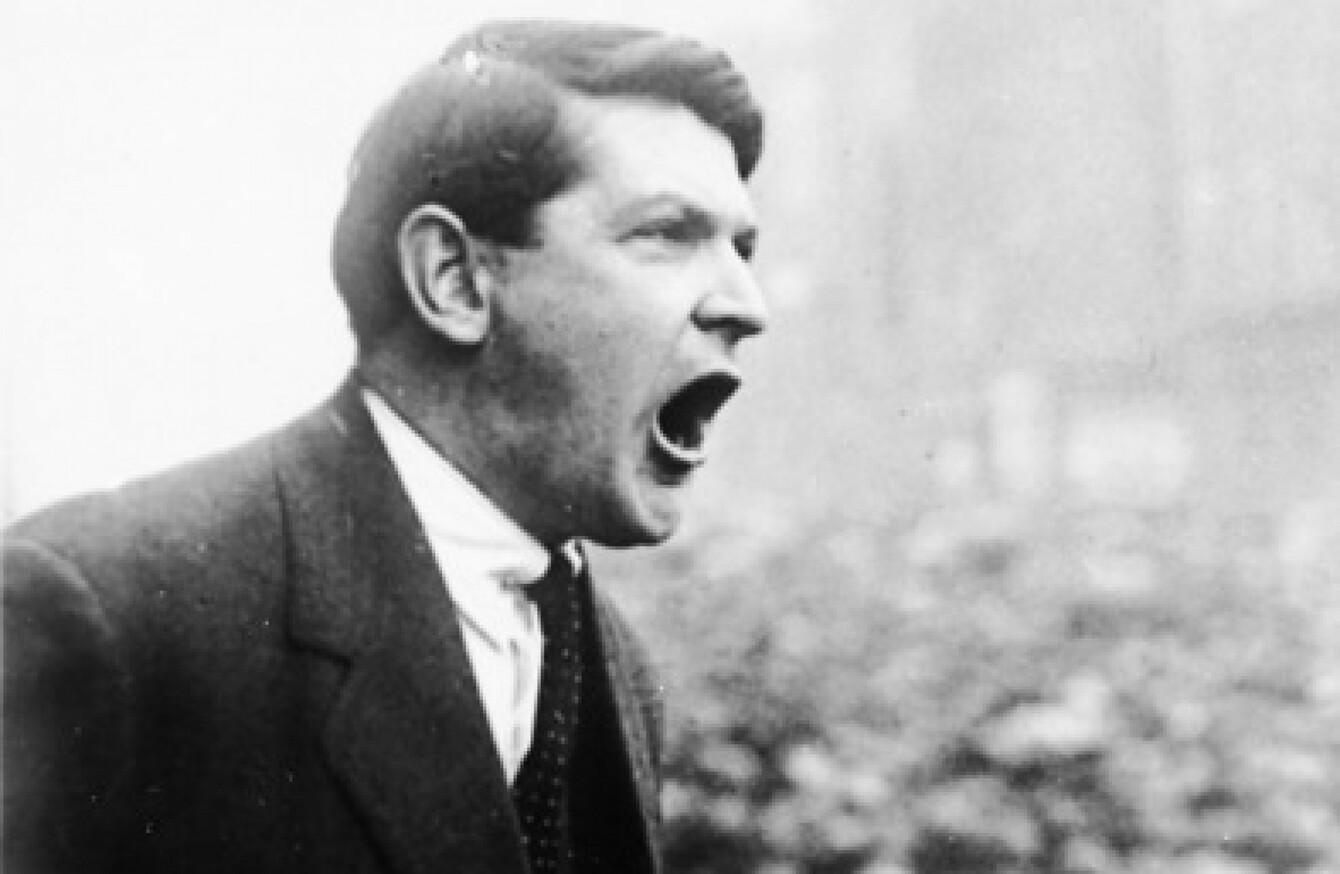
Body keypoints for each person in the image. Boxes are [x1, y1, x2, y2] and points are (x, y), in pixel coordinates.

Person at [3, 18, 768, 874]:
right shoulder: (106, 612)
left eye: (743, 248)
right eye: (666, 233)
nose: (747, 304)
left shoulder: (610, 662)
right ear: (455, 280)